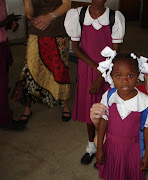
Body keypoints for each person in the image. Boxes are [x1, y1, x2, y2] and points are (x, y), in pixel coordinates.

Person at [64, 0, 125, 165]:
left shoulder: (114, 18)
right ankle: (91, 146)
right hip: (87, 70)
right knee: (89, 111)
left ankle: (106, 147)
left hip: (107, 72)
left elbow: (114, 53)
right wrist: (95, 69)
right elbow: (76, 48)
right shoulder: (78, 15)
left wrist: (101, 76)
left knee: (107, 111)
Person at [95, 46, 148, 180]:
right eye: (118, 76)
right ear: (111, 76)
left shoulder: (144, 101)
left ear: (138, 75)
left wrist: (147, 155)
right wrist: (99, 148)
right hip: (111, 148)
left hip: (132, 151)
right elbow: (103, 123)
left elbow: (147, 129)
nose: (124, 80)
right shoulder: (109, 96)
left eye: (130, 75)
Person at [11, 0, 71, 128]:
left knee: (60, 69)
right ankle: (28, 108)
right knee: (31, 70)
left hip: (58, 33)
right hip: (36, 33)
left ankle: (65, 104)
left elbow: (67, 4)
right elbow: (29, 14)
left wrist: (49, 17)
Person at [0, 0, 21, 129]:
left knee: (4, 82)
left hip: (3, 43)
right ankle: (4, 119)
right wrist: (5, 21)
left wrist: (10, 24)